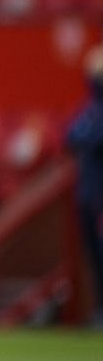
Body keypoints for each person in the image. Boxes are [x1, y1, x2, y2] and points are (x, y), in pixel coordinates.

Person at [66, 43, 103, 326]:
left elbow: (88, 138)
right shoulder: (89, 110)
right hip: (87, 194)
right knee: (92, 255)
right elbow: (71, 135)